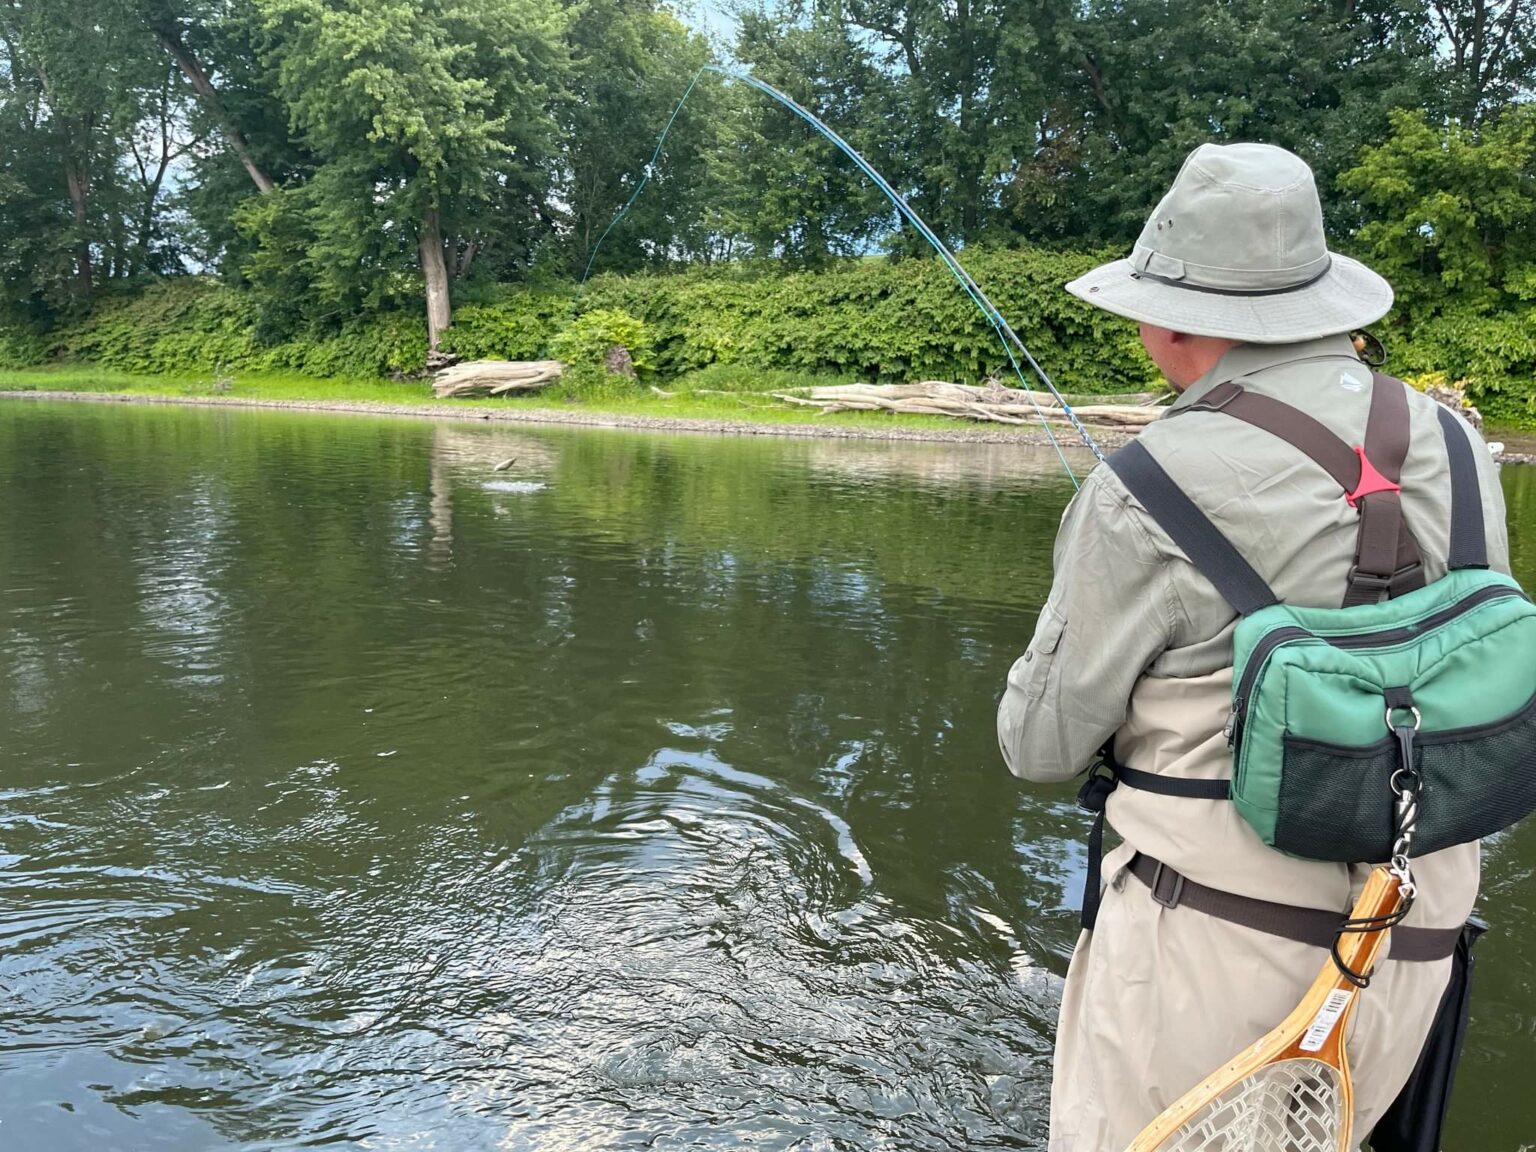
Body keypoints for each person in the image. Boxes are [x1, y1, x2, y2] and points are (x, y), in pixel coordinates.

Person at [996, 142, 1510, 1150]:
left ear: (1176, 319)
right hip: (1416, 940)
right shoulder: (1459, 446)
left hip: (1211, 960)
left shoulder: (1140, 489)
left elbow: (1039, 748)